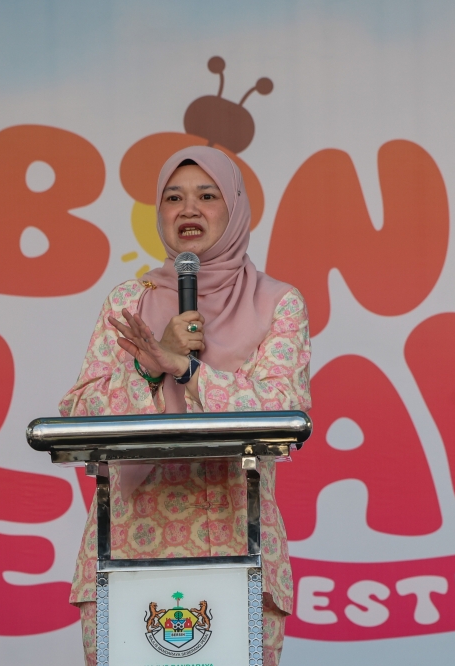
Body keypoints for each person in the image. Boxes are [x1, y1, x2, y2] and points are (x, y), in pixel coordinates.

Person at [58, 145, 311, 666]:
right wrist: (149, 365)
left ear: (235, 207)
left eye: (206, 195)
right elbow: (78, 413)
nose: (188, 209)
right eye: (173, 197)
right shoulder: (130, 301)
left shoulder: (277, 303)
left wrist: (190, 370)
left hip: (234, 539)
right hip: (127, 544)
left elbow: (285, 408)